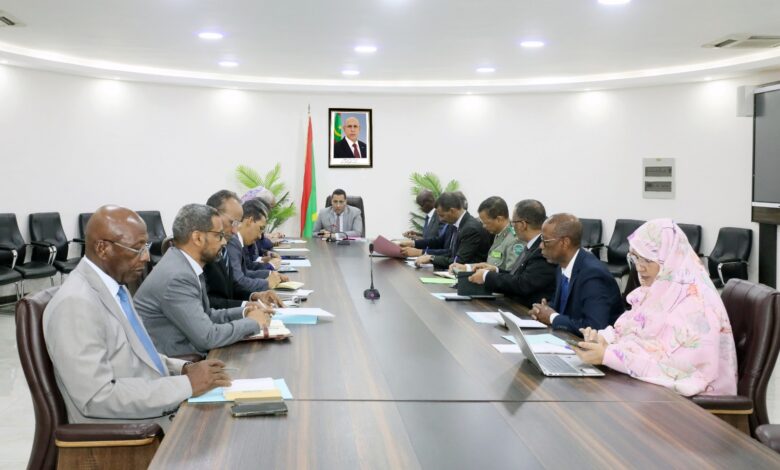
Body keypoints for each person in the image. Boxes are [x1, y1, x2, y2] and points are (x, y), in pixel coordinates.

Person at [42, 205, 231, 430]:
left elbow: (140, 355)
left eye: (146, 247)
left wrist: (183, 368)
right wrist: (186, 385)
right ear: (102, 248)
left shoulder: (116, 288)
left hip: (151, 406)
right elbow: (97, 397)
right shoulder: (75, 304)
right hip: (130, 431)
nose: (146, 257)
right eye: (136, 249)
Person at [575, 219, 738, 397]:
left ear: (669, 258)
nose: (639, 267)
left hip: (693, 403)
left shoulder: (697, 305)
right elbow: (636, 335)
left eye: (647, 260)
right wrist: (604, 340)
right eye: (635, 257)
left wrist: (610, 355)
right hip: (654, 392)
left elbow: (675, 369)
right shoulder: (661, 289)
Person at [135, 204, 273, 358]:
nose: (224, 242)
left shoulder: (184, 264)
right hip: (180, 362)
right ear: (198, 238)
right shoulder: (178, 276)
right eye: (219, 235)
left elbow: (206, 315)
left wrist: (244, 312)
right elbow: (207, 337)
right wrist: (252, 322)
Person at [528, 213, 622, 335]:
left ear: (564, 242)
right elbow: (565, 307)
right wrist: (543, 310)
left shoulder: (593, 275)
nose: (541, 246)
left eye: (545, 241)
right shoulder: (562, 266)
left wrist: (552, 318)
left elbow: (595, 327)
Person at [464, 199, 557, 307]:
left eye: (513, 222)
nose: (512, 225)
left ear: (522, 224)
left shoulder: (542, 249)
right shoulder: (532, 245)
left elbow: (523, 284)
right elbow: (519, 276)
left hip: (525, 310)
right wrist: (495, 270)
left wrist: (486, 276)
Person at [203, 190, 285, 309]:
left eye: (237, 223)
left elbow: (232, 285)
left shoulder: (223, 246)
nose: (235, 230)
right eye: (232, 222)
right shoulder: (207, 251)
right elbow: (208, 303)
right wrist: (246, 308)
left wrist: (254, 296)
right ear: (214, 216)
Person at [413, 192, 493, 269]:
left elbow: (458, 262)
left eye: (442, 215)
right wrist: (414, 244)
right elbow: (440, 243)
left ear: (452, 211)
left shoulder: (470, 229)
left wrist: (431, 258)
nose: (440, 219)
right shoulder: (454, 223)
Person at [227, 199, 288, 293]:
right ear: (250, 221)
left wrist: (270, 273)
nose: (260, 236)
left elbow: (245, 273)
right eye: (260, 228)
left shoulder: (239, 241)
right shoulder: (233, 242)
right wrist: (266, 283)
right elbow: (238, 282)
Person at [450, 196, 521, 272]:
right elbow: (491, 265)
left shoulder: (514, 239)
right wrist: (467, 267)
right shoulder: (498, 234)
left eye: (486, 223)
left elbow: (510, 274)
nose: (484, 226)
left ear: (499, 219)